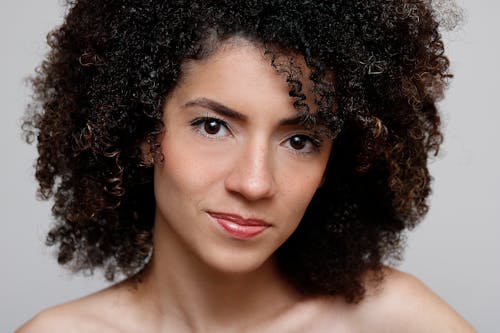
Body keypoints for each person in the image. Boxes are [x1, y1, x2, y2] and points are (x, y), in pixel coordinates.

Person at [18, 0, 476, 332]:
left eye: (299, 140)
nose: (255, 183)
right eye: (213, 127)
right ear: (141, 134)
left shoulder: (396, 322)